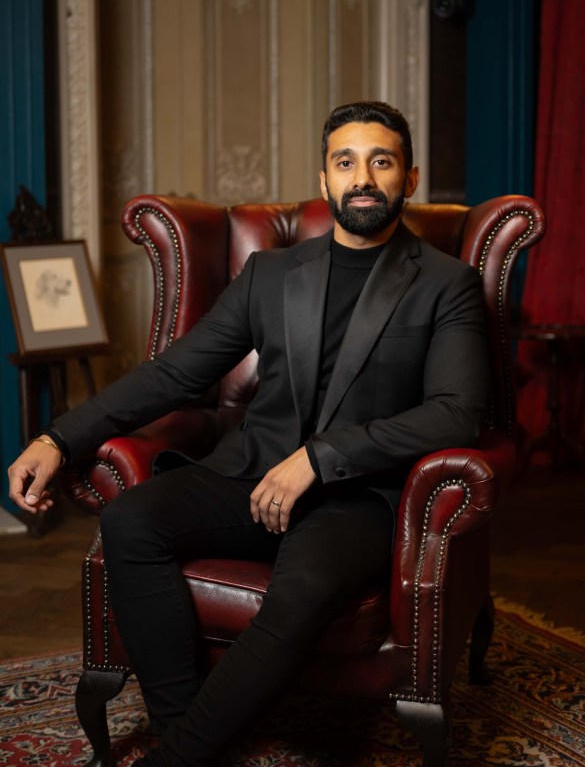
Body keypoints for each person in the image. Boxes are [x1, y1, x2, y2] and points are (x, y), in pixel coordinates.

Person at [8, 100, 489, 767]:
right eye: (345, 162)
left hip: (358, 498)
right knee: (132, 520)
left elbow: (458, 412)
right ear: (324, 179)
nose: (362, 178)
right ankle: (188, 737)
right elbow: (174, 374)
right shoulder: (271, 274)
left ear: (408, 178)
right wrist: (58, 439)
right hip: (249, 475)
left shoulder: (447, 284)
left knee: (304, 588)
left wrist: (320, 458)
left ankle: (173, 758)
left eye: (381, 161)